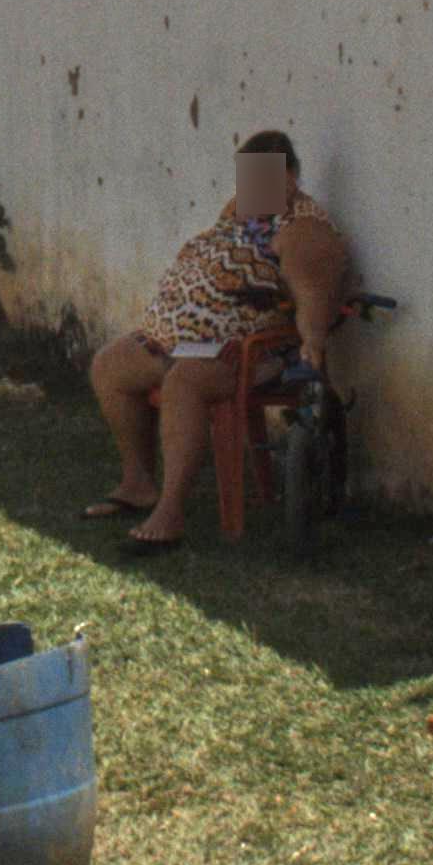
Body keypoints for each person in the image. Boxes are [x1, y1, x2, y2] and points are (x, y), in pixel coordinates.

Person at [84, 128, 350, 554]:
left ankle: (169, 513)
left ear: (289, 179)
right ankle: (138, 483)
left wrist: (313, 340)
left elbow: (314, 295)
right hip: (179, 341)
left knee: (184, 383)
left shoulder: (304, 227)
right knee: (110, 366)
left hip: (244, 352)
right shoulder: (239, 213)